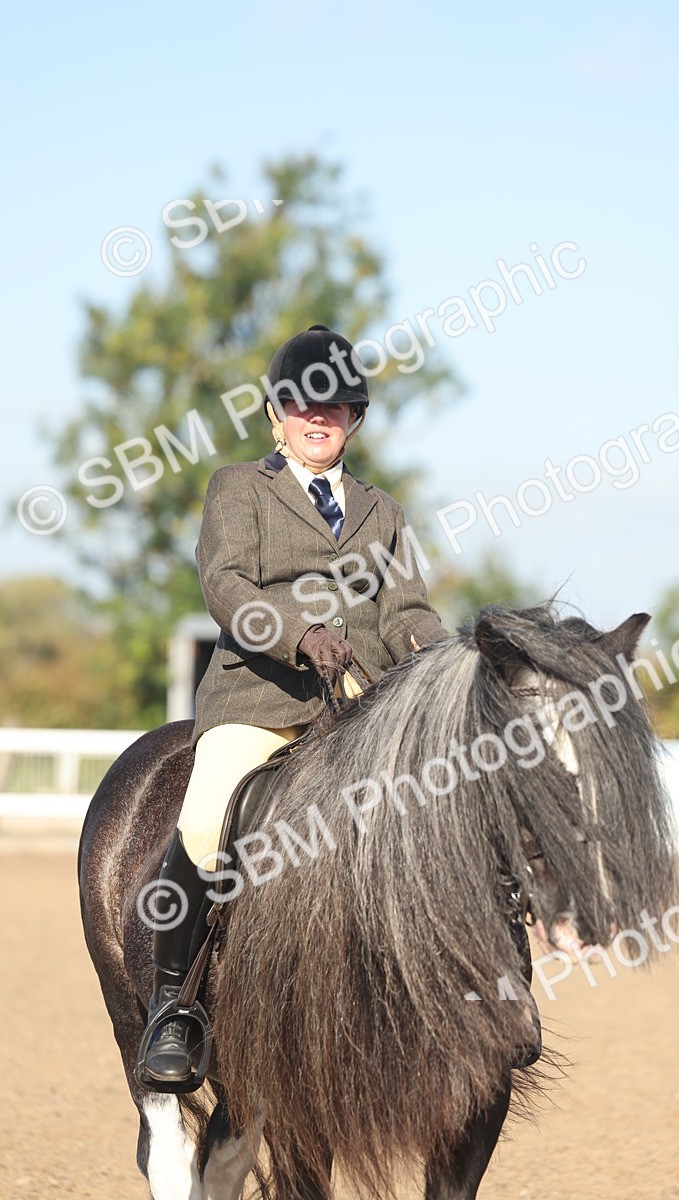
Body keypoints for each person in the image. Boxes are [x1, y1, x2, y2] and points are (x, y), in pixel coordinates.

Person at [138, 324, 449, 1090]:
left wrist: (450, 661)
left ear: (354, 421)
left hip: (361, 705)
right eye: (303, 404)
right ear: (277, 416)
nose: (318, 417)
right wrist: (297, 634)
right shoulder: (238, 488)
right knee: (206, 819)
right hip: (259, 695)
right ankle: (174, 1007)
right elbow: (226, 585)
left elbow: (407, 611)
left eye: (335, 406)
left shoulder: (384, 511)